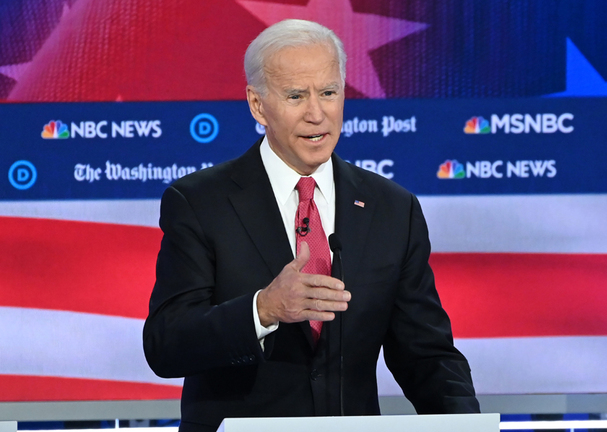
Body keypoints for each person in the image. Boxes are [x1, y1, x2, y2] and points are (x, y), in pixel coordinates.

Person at [143, 19, 479, 432]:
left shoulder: (392, 208)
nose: (316, 113)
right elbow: (166, 344)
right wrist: (263, 309)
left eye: (328, 93)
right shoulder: (199, 202)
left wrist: (466, 424)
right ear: (257, 104)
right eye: (296, 95)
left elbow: (426, 355)